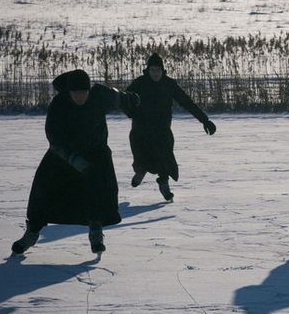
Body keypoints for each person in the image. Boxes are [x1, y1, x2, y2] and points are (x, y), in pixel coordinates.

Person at [11, 69, 141, 255]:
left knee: (97, 193)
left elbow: (123, 98)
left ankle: (96, 233)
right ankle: (31, 233)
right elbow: (54, 138)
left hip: (96, 154)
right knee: (43, 193)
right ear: (69, 92)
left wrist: (132, 100)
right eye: (76, 93)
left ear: (89, 91)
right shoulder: (59, 104)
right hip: (63, 155)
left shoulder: (99, 96)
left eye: (83, 93)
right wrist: (73, 159)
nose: (80, 97)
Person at [126, 53, 216, 201]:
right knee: (141, 155)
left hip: (162, 129)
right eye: (153, 70)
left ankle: (164, 184)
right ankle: (140, 171)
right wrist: (130, 111)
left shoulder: (169, 84)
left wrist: (205, 120)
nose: (155, 73)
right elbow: (124, 100)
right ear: (148, 70)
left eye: (158, 70)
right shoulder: (139, 83)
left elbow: (186, 102)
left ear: (163, 70)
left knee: (164, 158)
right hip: (141, 129)